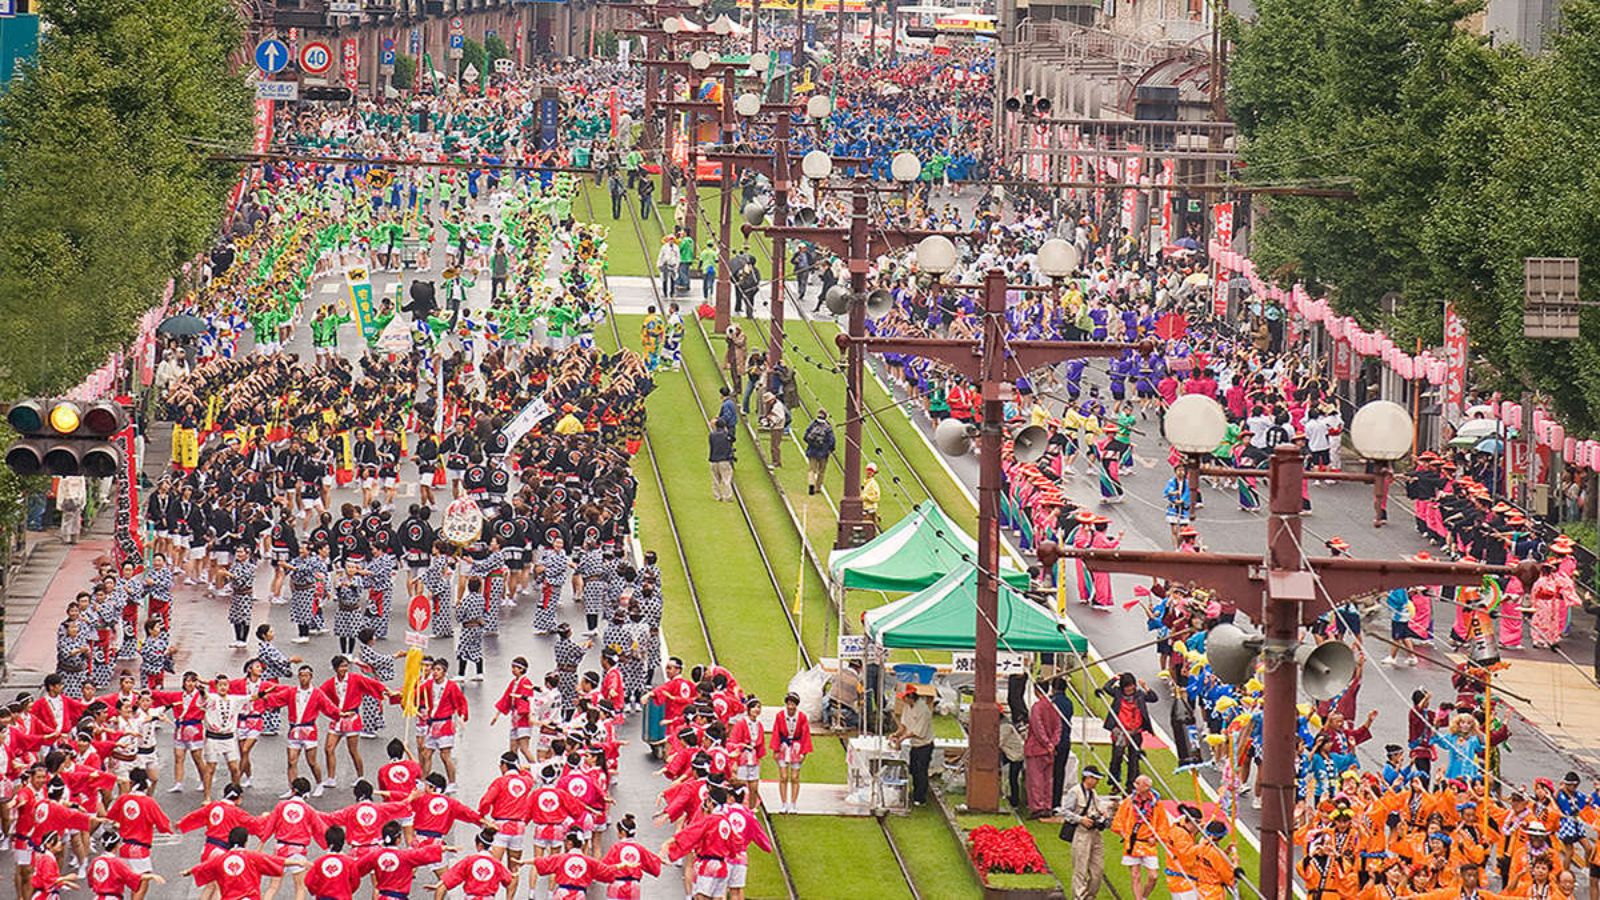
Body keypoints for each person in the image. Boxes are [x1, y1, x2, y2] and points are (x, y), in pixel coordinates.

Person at [1112, 775, 1168, 900]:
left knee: (1153, 876)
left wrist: (1157, 838)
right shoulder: (1129, 801)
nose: (1134, 786)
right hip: (1133, 843)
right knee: (1135, 875)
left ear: (1146, 787)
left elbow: (1163, 825)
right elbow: (1118, 821)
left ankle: (1144, 897)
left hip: (1148, 844)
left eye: (1138, 784)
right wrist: (1124, 834)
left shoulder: (1157, 804)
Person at [1099, 673, 1157, 792]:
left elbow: (1154, 698)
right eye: (1127, 687)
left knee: (1134, 761)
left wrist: (1145, 687)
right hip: (1120, 731)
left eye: (1132, 686)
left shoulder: (1139, 695)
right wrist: (1115, 678)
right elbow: (1106, 687)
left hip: (1135, 731)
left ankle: (1131, 785)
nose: (1130, 689)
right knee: (1116, 758)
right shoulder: (1118, 693)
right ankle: (1115, 782)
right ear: (1122, 687)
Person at [1059, 766, 1108, 900]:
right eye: (1095, 778)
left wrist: (1103, 815)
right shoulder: (1074, 792)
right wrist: (1081, 819)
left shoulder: (1094, 793)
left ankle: (1090, 896)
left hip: (1095, 834)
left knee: (1097, 871)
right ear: (1088, 777)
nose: (1097, 782)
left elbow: (1100, 808)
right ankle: (1078, 897)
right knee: (1080, 870)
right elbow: (1065, 812)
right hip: (1081, 833)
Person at [888, 683, 935, 806]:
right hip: (914, 745)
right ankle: (915, 793)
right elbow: (904, 725)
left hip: (924, 745)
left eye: (905, 697)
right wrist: (896, 734)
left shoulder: (923, 710)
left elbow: (918, 732)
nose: (903, 700)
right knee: (913, 770)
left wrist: (902, 739)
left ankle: (920, 798)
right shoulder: (907, 707)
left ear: (911, 697)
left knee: (921, 771)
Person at [769, 692, 813, 813]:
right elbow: (776, 732)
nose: (790, 707)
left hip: (796, 748)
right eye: (789, 703)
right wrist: (775, 750)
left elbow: (805, 735)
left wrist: (804, 752)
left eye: (793, 704)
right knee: (783, 776)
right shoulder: (780, 716)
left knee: (795, 777)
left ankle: (793, 803)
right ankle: (783, 803)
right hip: (783, 747)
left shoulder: (802, 717)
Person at [1023, 682, 1062, 817]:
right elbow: (1058, 727)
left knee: (1035, 779)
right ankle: (1047, 805)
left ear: (1035, 690)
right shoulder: (1054, 707)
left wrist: (1046, 743)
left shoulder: (1037, 707)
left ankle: (1037, 807)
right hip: (1049, 750)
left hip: (1036, 748)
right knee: (1047, 779)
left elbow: (1037, 727)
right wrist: (1052, 744)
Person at [802, 409, 835, 496]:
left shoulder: (813, 425)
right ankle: (818, 487)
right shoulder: (828, 427)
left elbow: (805, 437)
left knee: (811, 470)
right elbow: (832, 441)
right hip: (823, 453)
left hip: (812, 451)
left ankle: (811, 484)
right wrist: (830, 450)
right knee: (821, 471)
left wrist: (811, 444)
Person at [708, 419, 736, 503]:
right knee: (726, 479)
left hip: (714, 459)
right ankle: (727, 496)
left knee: (715, 479)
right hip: (724, 460)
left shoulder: (712, 435)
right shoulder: (727, 435)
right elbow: (733, 439)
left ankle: (717, 496)